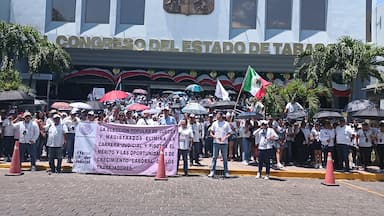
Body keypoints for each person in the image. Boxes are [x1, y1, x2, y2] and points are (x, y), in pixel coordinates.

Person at [208, 112, 232, 178]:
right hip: (216, 142)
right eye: (216, 115)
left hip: (224, 143)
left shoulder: (226, 124)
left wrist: (225, 137)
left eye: (218, 115)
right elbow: (211, 133)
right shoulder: (214, 123)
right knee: (214, 157)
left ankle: (226, 172)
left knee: (225, 158)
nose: (217, 117)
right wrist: (215, 137)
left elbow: (229, 133)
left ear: (221, 116)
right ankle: (212, 171)